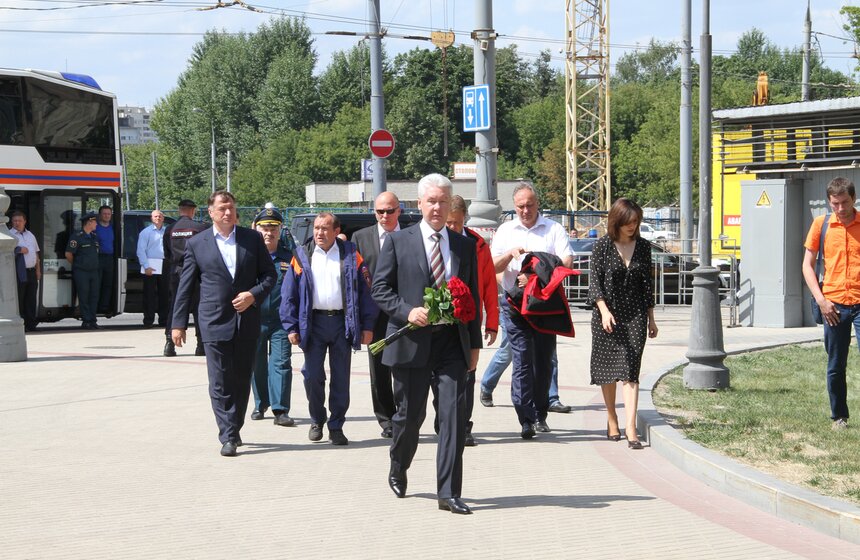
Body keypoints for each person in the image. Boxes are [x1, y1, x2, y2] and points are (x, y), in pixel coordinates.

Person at [371, 173, 482, 515]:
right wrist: (408, 311)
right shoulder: (398, 242)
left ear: (451, 204)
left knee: (452, 416)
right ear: (419, 204)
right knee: (409, 417)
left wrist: (474, 345)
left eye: (442, 201)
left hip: (451, 343)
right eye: (431, 201)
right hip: (412, 343)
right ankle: (398, 462)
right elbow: (380, 290)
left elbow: (472, 298)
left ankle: (448, 492)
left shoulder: (463, 245)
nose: (437, 207)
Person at [171, 191, 276, 457]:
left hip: (247, 321)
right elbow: (185, 287)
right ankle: (227, 434)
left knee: (241, 379)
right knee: (219, 381)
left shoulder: (251, 239)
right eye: (222, 208)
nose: (227, 213)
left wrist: (253, 294)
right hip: (213, 321)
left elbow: (269, 275)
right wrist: (178, 324)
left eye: (231, 208)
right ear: (210, 212)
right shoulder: (197, 243)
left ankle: (235, 426)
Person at [281, 212, 377, 446]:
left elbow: (366, 292)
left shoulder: (351, 254)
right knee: (312, 375)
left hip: (342, 323)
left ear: (336, 231)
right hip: (312, 323)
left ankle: (336, 426)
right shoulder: (302, 255)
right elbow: (288, 294)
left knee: (341, 378)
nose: (319, 233)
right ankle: (317, 420)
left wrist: (367, 325)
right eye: (316, 228)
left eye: (325, 229)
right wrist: (291, 325)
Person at [491, 183, 573, 438]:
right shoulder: (505, 230)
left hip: (545, 307)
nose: (525, 210)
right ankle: (525, 418)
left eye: (530, 205)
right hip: (514, 307)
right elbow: (492, 267)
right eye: (520, 206)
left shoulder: (553, 229)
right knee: (522, 359)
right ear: (514, 207)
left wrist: (537, 276)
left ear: (537, 203)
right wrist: (509, 256)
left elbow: (566, 262)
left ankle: (540, 414)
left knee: (544, 361)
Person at [588, 198, 658, 449]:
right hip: (607, 315)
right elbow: (594, 283)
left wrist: (651, 318)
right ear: (616, 221)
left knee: (631, 370)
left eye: (636, 222)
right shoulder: (602, 247)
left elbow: (647, 286)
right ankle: (611, 418)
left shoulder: (643, 247)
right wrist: (604, 311)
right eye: (628, 222)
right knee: (608, 369)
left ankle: (630, 426)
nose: (633, 226)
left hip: (635, 315)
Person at [435, 195, 498, 447]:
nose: (452, 228)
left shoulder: (477, 245)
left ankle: (463, 426)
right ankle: (443, 422)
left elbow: (488, 286)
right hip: (435, 322)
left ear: (465, 220)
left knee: (467, 376)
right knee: (437, 380)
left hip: (466, 321)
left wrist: (492, 322)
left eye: (456, 223)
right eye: (448, 223)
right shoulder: (433, 242)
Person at [802, 177, 860, 430]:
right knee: (836, 364)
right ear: (829, 201)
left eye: (844, 202)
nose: (840, 208)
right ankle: (839, 417)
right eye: (834, 203)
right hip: (833, 305)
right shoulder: (821, 224)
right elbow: (807, 265)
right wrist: (821, 300)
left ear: (854, 199)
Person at [352, 192, 402, 438]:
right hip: (375, 315)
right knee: (379, 369)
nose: (385, 216)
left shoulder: (410, 235)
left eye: (389, 211)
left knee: (406, 366)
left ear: (399, 211)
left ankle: (404, 414)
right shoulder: (360, 238)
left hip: (405, 312)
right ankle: (386, 419)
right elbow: (355, 282)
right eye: (380, 211)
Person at [250, 206, 295, 427]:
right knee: (256, 364)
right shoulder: (249, 257)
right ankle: (260, 404)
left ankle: (280, 409)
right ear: (256, 229)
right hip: (254, 319)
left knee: (281, 363)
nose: (269, 233)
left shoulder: (290, 258)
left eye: (273, 228)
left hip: (281, 322)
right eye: (264, 228)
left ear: (280, 230)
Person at [163, 199, 208, 357]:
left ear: (179, 210)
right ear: (193, 211)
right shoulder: (200, 228)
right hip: (196, 271)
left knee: (176, 306)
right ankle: (201, 345)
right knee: (199, 307)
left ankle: (169, 344)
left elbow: (167, 254)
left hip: (177, 271)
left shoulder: (170, 229)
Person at [65, 212, 101, 330]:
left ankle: (93, 320)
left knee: (94, 296)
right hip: (82, 271)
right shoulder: (77, 236)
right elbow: (69, 254)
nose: (96, 224)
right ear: (89, 222)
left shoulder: (94, 237)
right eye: (95, 221)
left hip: (94, 271)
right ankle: (86, 320)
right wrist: (78, 265)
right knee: (84, 296)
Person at [136, 210, 169, 328]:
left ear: (163, 218)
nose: (158, 218)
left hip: (164, 265)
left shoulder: (167, 231)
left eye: (160, 216)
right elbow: (140, 251)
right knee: (149, 295)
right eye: (155, 216)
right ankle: (148, 321)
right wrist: (146, 266)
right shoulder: (146, 232)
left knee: (164, 294)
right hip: (150, 265)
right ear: (151, 218)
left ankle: (164, 320)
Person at [10, 211, 40, 331]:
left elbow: (36, 253)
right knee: (20, 299)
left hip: (32, 271)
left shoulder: (30, 235)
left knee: (31, 299)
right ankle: (21, 325)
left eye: (19, 221)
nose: (17, 223)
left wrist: (38, 270)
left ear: (25, 221)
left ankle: (31, 324)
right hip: (18, 273)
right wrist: (18, 249)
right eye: (15, 221)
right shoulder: (9, 235)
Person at [95, 205, 115, 316]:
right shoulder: (96, 228)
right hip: (99, 258)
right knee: (97, 284)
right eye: (104, 214)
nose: (107, 216)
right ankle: (96, 307)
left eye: (109, 214)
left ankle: (104, 307)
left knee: (108, 284)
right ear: (100, 215)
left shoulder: (114, 227)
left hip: (110, 258)